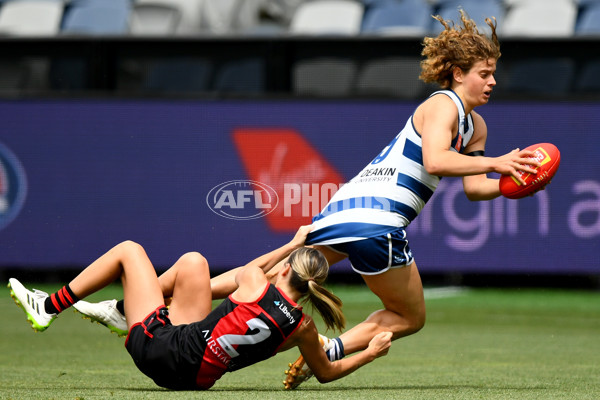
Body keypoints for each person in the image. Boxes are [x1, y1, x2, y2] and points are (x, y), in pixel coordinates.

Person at [272, 10, 545, 389]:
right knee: (409, 316)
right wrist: (501, 161)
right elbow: (436, 160)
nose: (493, 81)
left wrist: (512, 183)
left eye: (494, 73)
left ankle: (183, 303)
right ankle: (328, 351)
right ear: (458, 74)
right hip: (379, 223)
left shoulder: (475, 126)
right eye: (485, 73)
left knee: (271, 280)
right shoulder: (443, 105)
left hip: (345, 208)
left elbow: (474, 187)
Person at [8, 225, 392, 390]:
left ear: (286, 268)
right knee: (193, 263)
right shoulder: (304, 328)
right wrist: (370, 354)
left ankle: (49, 306)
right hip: (192, 379)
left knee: (130, 250)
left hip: (157, 349)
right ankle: (128, 311)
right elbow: (326, 373)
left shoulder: (256, 282)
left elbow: (252, 271)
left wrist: (292, 242)